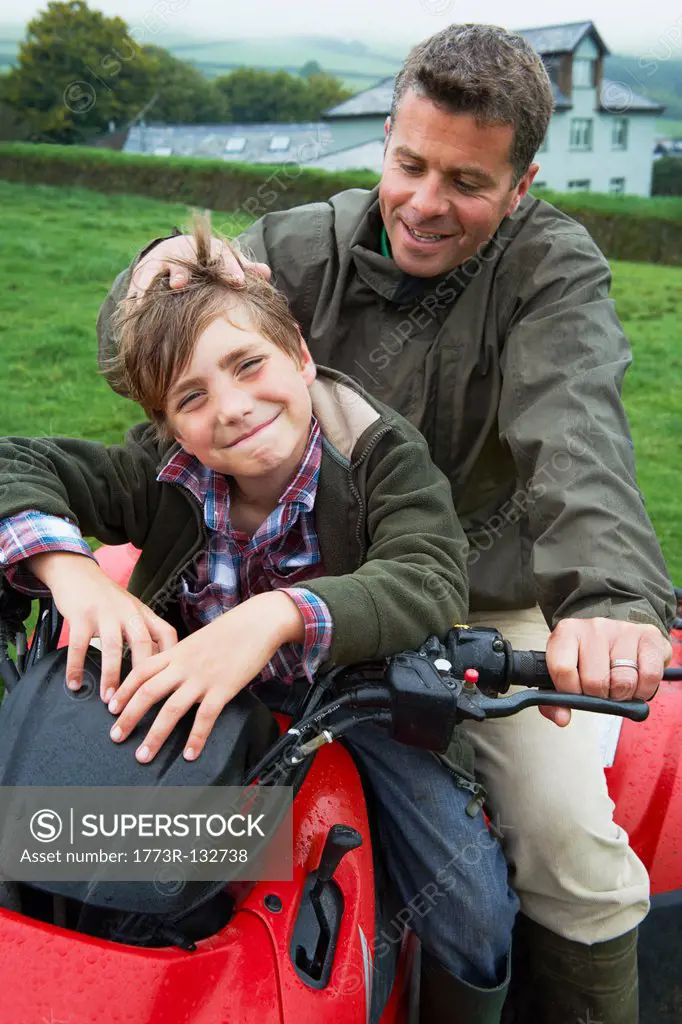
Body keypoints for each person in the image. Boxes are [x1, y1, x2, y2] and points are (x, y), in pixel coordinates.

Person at [96, 22, 676, 1024]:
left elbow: (573, 427)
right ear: (386, 147)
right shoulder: (296, 247)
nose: (423, 201)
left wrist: (612, 599)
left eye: (466, 181)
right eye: (409, 163)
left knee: (569, 848)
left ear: (521, 185)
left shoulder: (549, 273)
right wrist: (154, 268)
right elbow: (136, 361)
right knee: (80, 807)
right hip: (287, 585)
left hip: (476, 609)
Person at [0, 217, 519, 1022]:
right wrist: (75, 577)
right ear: (171, 426)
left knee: (471, 910)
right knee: (63, 858)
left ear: (302, 358)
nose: (234, 408)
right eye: (193, 398)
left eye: (249, 365)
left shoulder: (383, 456)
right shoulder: (162, 471)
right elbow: (15, 462)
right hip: (198, 707)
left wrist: (275, 616)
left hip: (365, 709)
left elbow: (427, 575)